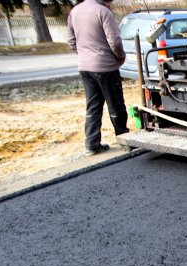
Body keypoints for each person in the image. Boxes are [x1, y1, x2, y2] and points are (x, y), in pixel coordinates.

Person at [67, 0, 128, 155]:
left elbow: (71, 42)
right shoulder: (102, 11)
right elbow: (114, 41)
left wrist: (85, 55)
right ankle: (124, 139)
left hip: (85, 67)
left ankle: (91, 144)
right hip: (105, 66)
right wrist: (120, 57)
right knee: (116, 105)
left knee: (93, 106)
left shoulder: (74, 11)